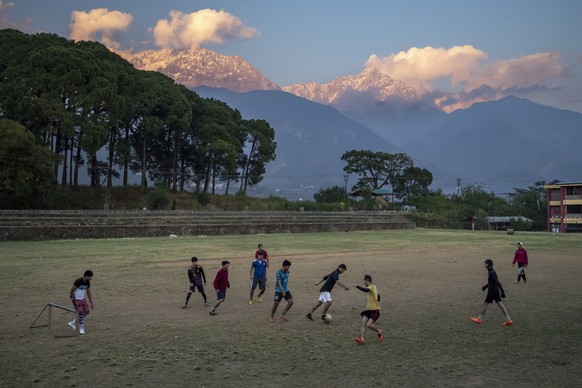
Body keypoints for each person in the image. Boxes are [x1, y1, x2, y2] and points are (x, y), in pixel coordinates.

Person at [470, 259, 512, 326]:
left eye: (486, 264)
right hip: (494, 290)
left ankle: (478, 319)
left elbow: (497, 282)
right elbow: (491, 282)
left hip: (492, 291)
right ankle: (509, 320)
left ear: (489, 265)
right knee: (500, 304)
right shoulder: (490, 271)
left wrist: (502, 291)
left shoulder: (492, 272)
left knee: (485, 303)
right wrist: (485, 286)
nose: (484, 265)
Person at [354, 275, 383, 345]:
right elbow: (378, 295)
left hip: (375, 310)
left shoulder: (371, 287)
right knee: (363, 323)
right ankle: (362, 339)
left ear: (367, 281)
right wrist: (377, 299)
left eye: (365, 282)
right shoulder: (374, 286)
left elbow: (366, 290)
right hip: (368, 310)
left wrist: (358, 286)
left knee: (369, 325)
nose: (364, 283)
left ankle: (379, 331)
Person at [68, 270, 94, 335]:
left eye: (91, 278)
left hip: (82, 299)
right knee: (81, 313)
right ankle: (81, 328)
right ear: (86, 276)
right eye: (89, 277)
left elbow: (88, 293)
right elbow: (71, 291)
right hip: (76, 299)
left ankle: (73, 322)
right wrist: (75, 300)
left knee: (87, 311)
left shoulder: (88, 283)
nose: (90, 279)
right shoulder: (78, 282)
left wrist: (91, 303)